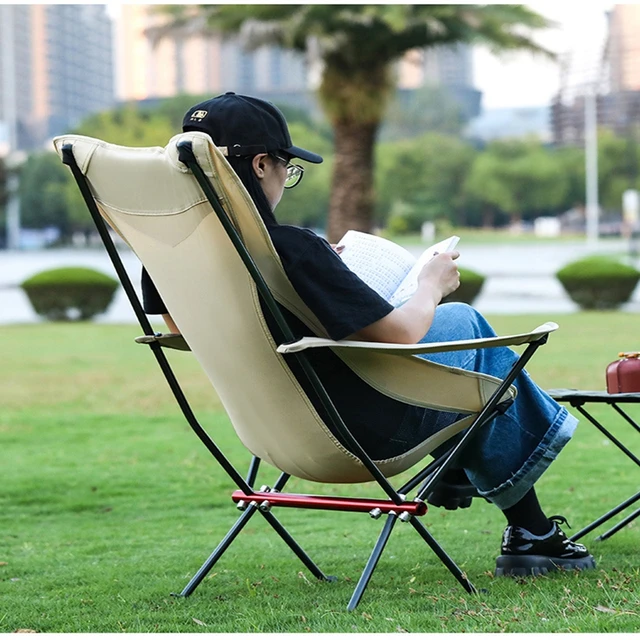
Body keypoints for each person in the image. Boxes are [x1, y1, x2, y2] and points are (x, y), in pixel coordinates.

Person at [141, 91, 595, 578]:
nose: (284, 180)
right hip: (363, 433)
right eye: (285, 167)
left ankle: (459, 469)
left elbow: (192, 329)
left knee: (453, 351)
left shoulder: (168, 261)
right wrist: (430, 285)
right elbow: (400, 334)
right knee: (463, 323)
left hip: (271, 433)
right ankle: (527, 528)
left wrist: (322, 291)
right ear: (258, 165)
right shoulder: (290, 249)